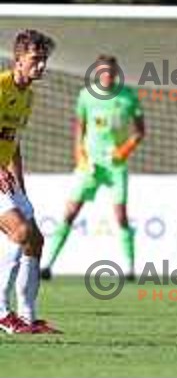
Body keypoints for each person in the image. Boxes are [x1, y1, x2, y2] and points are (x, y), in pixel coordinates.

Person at [41, 55, 145, 281]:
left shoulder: (128, 96)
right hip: (90, 164)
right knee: (70, 212)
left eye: (111, 72)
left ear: (116, 73)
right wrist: (79, 154)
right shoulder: (86, 96)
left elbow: (139, 131)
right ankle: (47, 265)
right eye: (103, 72)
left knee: (121, 216)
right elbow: (80, 127)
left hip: (116, 165)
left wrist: (125, 149)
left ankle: (129, 268)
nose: (107, 76)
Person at [0, 29, 60, 334]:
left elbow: (12, 140)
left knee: (35, 239)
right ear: (18, 59)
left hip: (5, 175)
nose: (41, 66)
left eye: (44, 60)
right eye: (35, 59)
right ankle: (0, 312)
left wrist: (19, 185)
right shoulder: (0, 86)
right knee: (20, 232)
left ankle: (27, 316)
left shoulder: (27, 95)